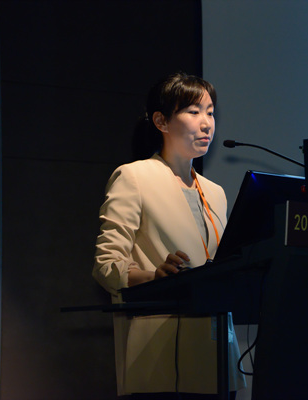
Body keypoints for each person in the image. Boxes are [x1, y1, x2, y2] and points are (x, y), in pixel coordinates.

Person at [93, 72, 246, 399]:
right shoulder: (134, 177)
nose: (206, 123)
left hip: (218, 351)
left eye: (210, 113)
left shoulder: (215, 192)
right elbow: (106, 266)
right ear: (161, 121)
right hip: (162, 356)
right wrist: (155, 277)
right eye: (193, 111)